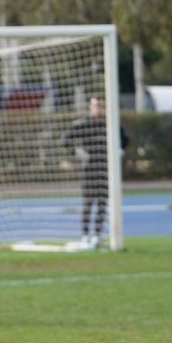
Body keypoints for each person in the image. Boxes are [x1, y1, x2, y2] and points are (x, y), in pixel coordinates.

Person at [63, 95, 129, 248]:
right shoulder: (83, 124)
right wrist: (76, 152)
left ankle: (97, 236)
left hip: (106, 169)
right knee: (88, 203)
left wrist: (120, 149)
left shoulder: (111, 124)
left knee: (102, 203)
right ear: (90, 107)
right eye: (96, 105)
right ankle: (85, 235)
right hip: (89, 169)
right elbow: (65, 139)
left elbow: (126, 138)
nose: (99, 108)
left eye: (102, 105)